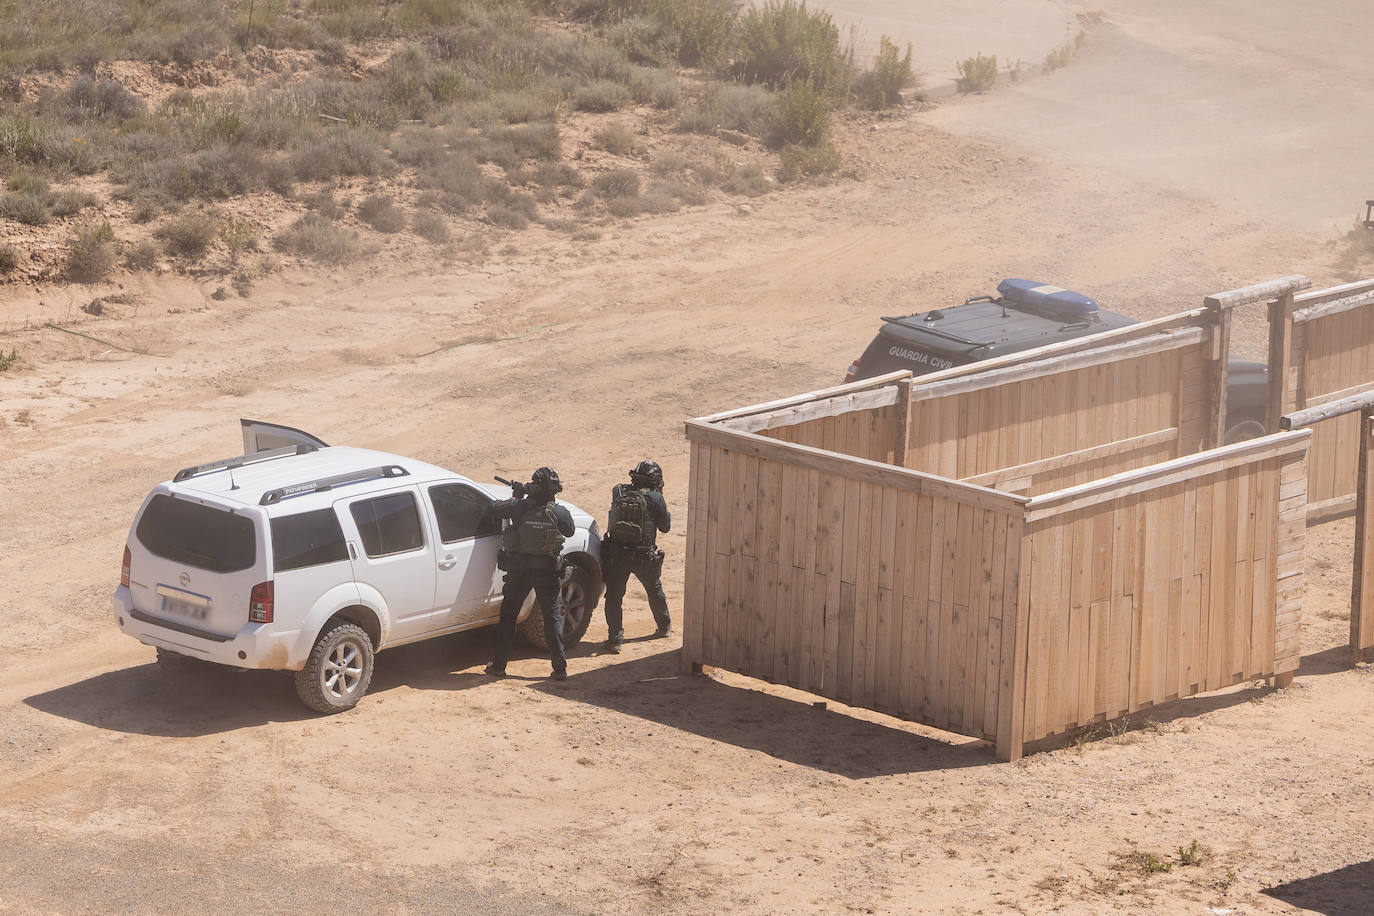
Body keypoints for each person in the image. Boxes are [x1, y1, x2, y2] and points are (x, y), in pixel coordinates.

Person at [484, 466, 575, 680]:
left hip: (520, 570)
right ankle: (559, 669)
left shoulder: (520, 507)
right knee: (552, 618)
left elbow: (494, 508)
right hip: (546, 571)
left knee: (508, 617)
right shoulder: (558, 511)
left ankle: (499, 666)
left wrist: (517, 496)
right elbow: (569, 531)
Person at [601, 459, 671, 653]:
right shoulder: (656, 498)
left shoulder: (619, 492)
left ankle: (615, 639)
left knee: (614, 596)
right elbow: (665, 527)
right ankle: (664, 626)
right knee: (654, 589)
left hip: (618, 554)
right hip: (643, 556)